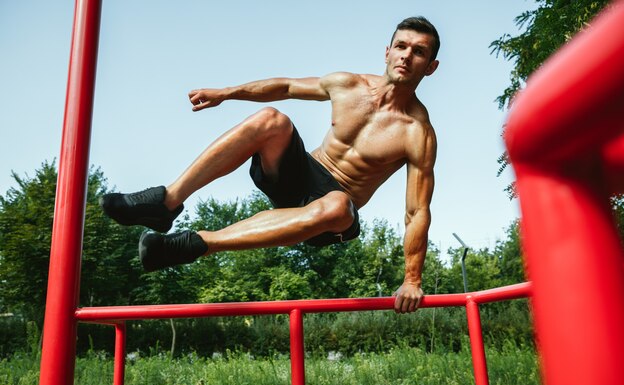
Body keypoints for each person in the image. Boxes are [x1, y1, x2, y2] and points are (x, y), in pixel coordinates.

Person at [101, 16, 440, 314]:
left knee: (339, 205)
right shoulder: (348, 85)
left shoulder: (416, 133)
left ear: (430, 66)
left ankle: (196, 243)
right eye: (401, 46)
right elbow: (286, 87)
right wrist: (227, 93)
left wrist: (412, 279)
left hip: (331, 213)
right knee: (271, 119)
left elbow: (417, 210)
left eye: (419, 51)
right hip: (299, 175)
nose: (406, 56)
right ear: (387, 52)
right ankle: (166, 201)